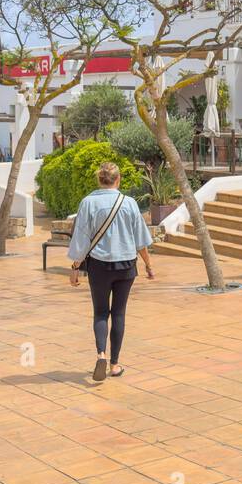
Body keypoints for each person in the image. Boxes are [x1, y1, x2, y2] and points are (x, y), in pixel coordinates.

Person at [67, 162, 154, 382]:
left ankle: (101, 355)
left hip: (99, 266)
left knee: (100, 312)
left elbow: (81, 238)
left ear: (99, 179)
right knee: (119, 313)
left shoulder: (87, 203)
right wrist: (148, 265)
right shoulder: (130, 203)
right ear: (118, 179)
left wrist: (75, 268)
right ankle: (115, 364)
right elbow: (140, 240)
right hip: (126, 265)